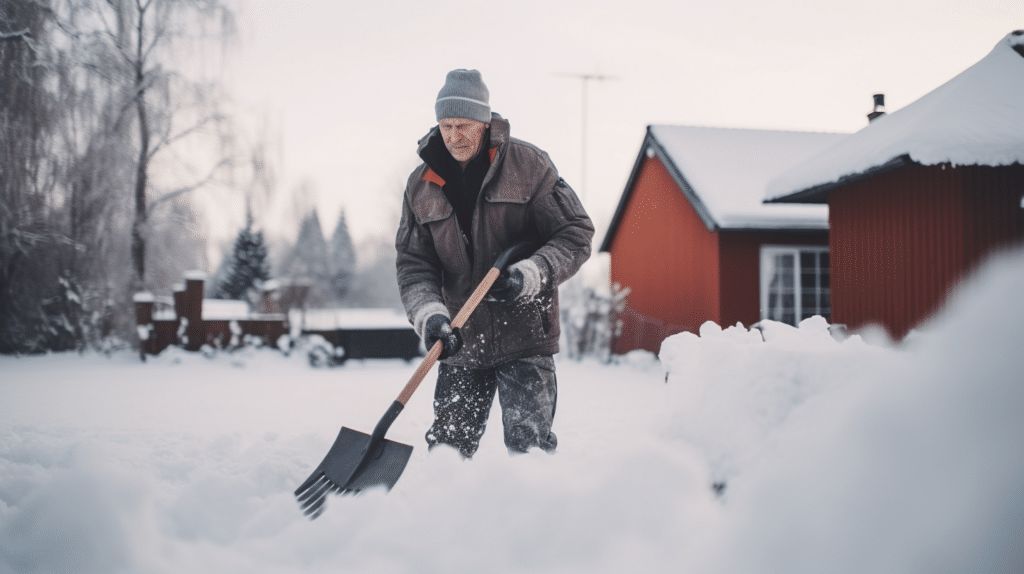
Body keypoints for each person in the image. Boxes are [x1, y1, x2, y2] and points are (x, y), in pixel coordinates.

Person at [395, 69, 594, 458]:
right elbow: (413, 263)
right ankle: (444, 517)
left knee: (530, 452)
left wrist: (529, 275)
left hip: (524, 338)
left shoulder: (529, 166)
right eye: (446, 125)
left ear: (485, 123)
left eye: (464, 125)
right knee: (447, 453)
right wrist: (430, 317)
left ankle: (532, 517)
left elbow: (574, 234)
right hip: (460, 340)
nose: (454, 136)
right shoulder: (421, 184)